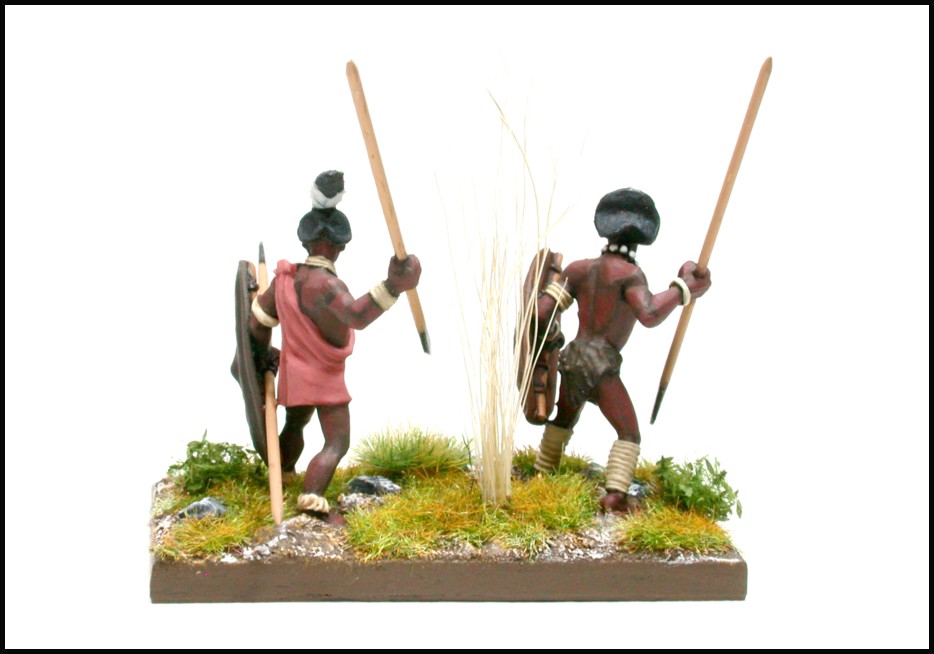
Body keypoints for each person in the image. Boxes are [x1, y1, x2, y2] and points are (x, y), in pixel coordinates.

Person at [248, 170, 421, 521]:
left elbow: (258, 322)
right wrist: (393, 285)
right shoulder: (328, 286)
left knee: (296, 422)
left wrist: (262, 352)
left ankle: (283, 470)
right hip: (324, 376)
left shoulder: (284, 279)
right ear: (339, 247)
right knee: (337, 441)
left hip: (294, 373)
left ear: (306, 242)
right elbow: (356, 315)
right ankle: (312, 494)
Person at [533, 188, 710, 514]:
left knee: (563, 419)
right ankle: (615, 496)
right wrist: (684, 289)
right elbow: (650, 314)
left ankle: (542, 472)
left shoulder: (578, 270)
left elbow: (543, 311)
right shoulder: (630, 275)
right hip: (601, 365)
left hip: (572, 358)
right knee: (629, 433)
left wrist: (546, 342)